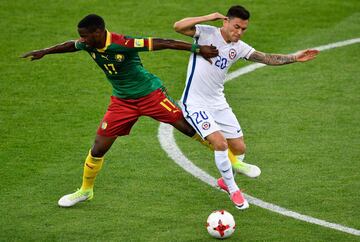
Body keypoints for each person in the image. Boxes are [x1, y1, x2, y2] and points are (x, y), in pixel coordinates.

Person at [22, 14, 220, 208]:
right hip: (122, 102)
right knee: (98, 147)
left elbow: (164, 42)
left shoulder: (123, 43)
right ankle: (85, 190)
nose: (82, 40)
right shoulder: (88, 44)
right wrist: (45, 51)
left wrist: (197, 48)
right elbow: (70, 45)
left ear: (98, 32)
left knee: (187, 128)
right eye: (81, 36)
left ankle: (229, 157)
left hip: (151, 95)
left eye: (85, 36)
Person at [174, 5, 319, 209]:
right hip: (195, 103)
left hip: (218, 102)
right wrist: (210, 16)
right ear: (225, 21)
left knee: (239, 148)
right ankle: (234, 190)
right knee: (220, 143)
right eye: (236, 27)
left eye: (243, 29)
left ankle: (226, 179)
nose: (239, 32)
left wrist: (294, 57)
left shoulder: (239, 47)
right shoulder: (206, 34)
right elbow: (178, 26)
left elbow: (266, 58)